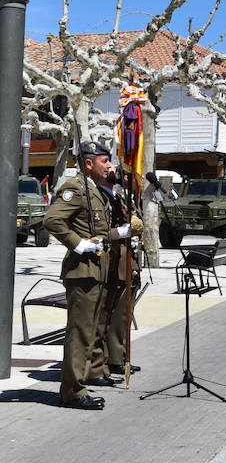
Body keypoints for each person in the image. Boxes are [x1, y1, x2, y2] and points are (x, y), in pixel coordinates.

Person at [43, 141, 134, 410]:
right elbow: (52, 220)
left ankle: (78, 384)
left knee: (90, 330)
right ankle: (72, 392)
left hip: (96, 270)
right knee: (80, 333)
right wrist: (77, 243)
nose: (109, 165)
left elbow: (100, 232)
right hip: (82, 272)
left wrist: (120, 233)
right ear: (88, 163)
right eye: (104, 161)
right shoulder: (76, 188)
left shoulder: (94, 190)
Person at [99, 168, 144, 378]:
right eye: (125, 174)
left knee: (125, 312)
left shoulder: (122, 197)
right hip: (116, 259)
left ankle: (120, 356)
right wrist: (123, 232)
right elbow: (101, 231)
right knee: (116, 312)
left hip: (129, 258)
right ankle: (115, 358)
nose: (128, 178)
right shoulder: (105, 197)